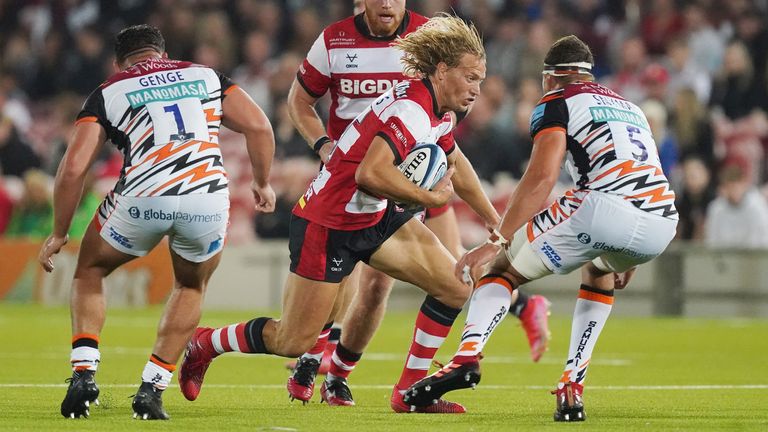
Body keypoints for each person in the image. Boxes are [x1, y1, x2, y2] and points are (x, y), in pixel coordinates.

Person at [180, 14, 498, 414]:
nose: (477, 89)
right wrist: (428, 198)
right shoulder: (413, 111)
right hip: (328, 221)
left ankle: (410, 393)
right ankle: (206, 342)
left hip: (373, 215)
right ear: (442, 70)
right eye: (471, 78)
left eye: (480, 80)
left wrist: (492, 218)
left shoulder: (434, 107)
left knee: (454, 286)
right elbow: (370, 174)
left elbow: (455, 160)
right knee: (291, 341)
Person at [282, 0, 551, 407]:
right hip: (357, 175)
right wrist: (322, 143)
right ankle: (311, 356)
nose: (389, 3)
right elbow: (299, 101)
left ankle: (338, 375)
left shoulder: (435, 41)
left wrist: (494, 221)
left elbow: (452, 150)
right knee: (345, 283)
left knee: (422, 279)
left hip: (415, 173)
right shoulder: (334, 40)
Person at [402, 35, 678, 422]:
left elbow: (541, 177)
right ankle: (572, 385)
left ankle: (466, 357)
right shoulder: (631, 107)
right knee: (598, 268)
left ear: (551, 77)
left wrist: (495, 240)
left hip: (603, 207)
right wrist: (624, 251)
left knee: (499, 269)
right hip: (660, 220)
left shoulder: (557, 100)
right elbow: (644, 173)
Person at [37, 24, 276, 420]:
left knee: (91, 270)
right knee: (190, 284)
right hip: (205, 198)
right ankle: (152, 388)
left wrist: (60, 232)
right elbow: (259, 126)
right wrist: (263, 183)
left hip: (143, 197)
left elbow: (73, 167)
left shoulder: (110, 90)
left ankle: (83, 372)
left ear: (119, 62)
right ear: (162, 55)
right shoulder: (205, 75)